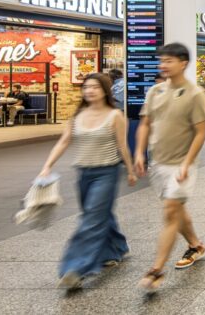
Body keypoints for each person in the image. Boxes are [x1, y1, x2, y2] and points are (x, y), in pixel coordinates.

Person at [39, 73, 136, 290]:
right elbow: (64, 142)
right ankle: (116, 248)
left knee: (92, 218)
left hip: (107, 173)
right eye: (86, 87)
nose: (89, 90)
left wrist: (130, 171)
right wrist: (47, 166)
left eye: (95, 87)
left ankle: (75, 269)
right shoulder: (77, 116)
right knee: (98, 214)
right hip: (84, 174)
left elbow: (122, 146)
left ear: (105, 90)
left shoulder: (115, 116)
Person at [134, 43, 205, 292]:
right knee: (177, 210)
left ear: (183, 63)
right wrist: (139, 152)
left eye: (168, 61)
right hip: (159, 163)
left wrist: (188, 163)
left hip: (181, 165)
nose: (163, 65)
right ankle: (196, 245)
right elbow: (145, 124)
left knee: (170, 212)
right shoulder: (155, 91)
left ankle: (156, 270)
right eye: (162, 61)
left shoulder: (195, 94)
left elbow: (201, 133)